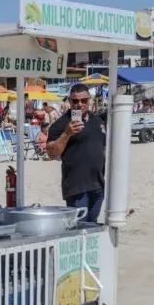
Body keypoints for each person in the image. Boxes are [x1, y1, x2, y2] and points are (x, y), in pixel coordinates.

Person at [46, 83, 106, 223]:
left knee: (92, 226)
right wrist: (67, 134)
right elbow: (51, 153)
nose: (80, 104)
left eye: (83, 100)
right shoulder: (61, 125)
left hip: (98, 185)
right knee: (78, 229)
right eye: (75, 101)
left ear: (89, 100)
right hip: (76, 188)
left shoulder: (97, 121)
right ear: (69, 101)